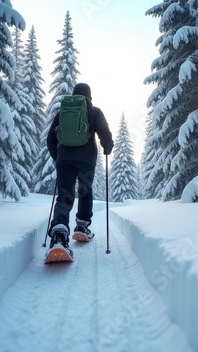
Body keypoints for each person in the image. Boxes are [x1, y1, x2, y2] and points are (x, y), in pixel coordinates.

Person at [47, 83, 114, 251]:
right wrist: (107, 146)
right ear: (89, 96)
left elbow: (50, 138)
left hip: (64, 161)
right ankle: (82, 226)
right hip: (86, 161)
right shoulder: (94, 111)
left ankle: (59, 236)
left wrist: (58, 157)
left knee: (64, 196)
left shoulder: (63, 111)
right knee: (85, 192)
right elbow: (104, 131)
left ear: (74, 94)